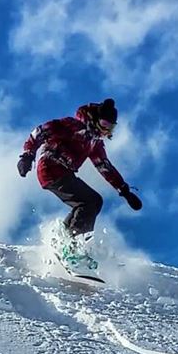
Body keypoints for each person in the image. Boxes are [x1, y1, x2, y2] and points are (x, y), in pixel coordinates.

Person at [16, 99, 142, 250]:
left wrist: (124, 191)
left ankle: (63, 239)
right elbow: (40, 132)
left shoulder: (94, 143)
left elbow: (104, 166)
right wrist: (27, 156)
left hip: (64, 173)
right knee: (88, 202)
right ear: (95, 120)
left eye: (111, 128)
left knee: (94, 201)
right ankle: (72, 244)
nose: (106, 131)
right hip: (50, 167)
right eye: (104, 125)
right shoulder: (72, 125)